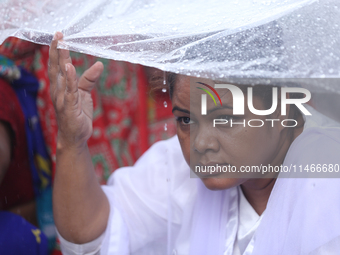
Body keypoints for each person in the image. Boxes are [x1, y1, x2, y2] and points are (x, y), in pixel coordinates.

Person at [50, 32, 340, 255]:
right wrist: (72, 142)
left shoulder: (328, 185)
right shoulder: (176, 169)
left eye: (225, 119)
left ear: (281, 108)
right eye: (186, 120)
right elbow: (90, 235)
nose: (201, 143)